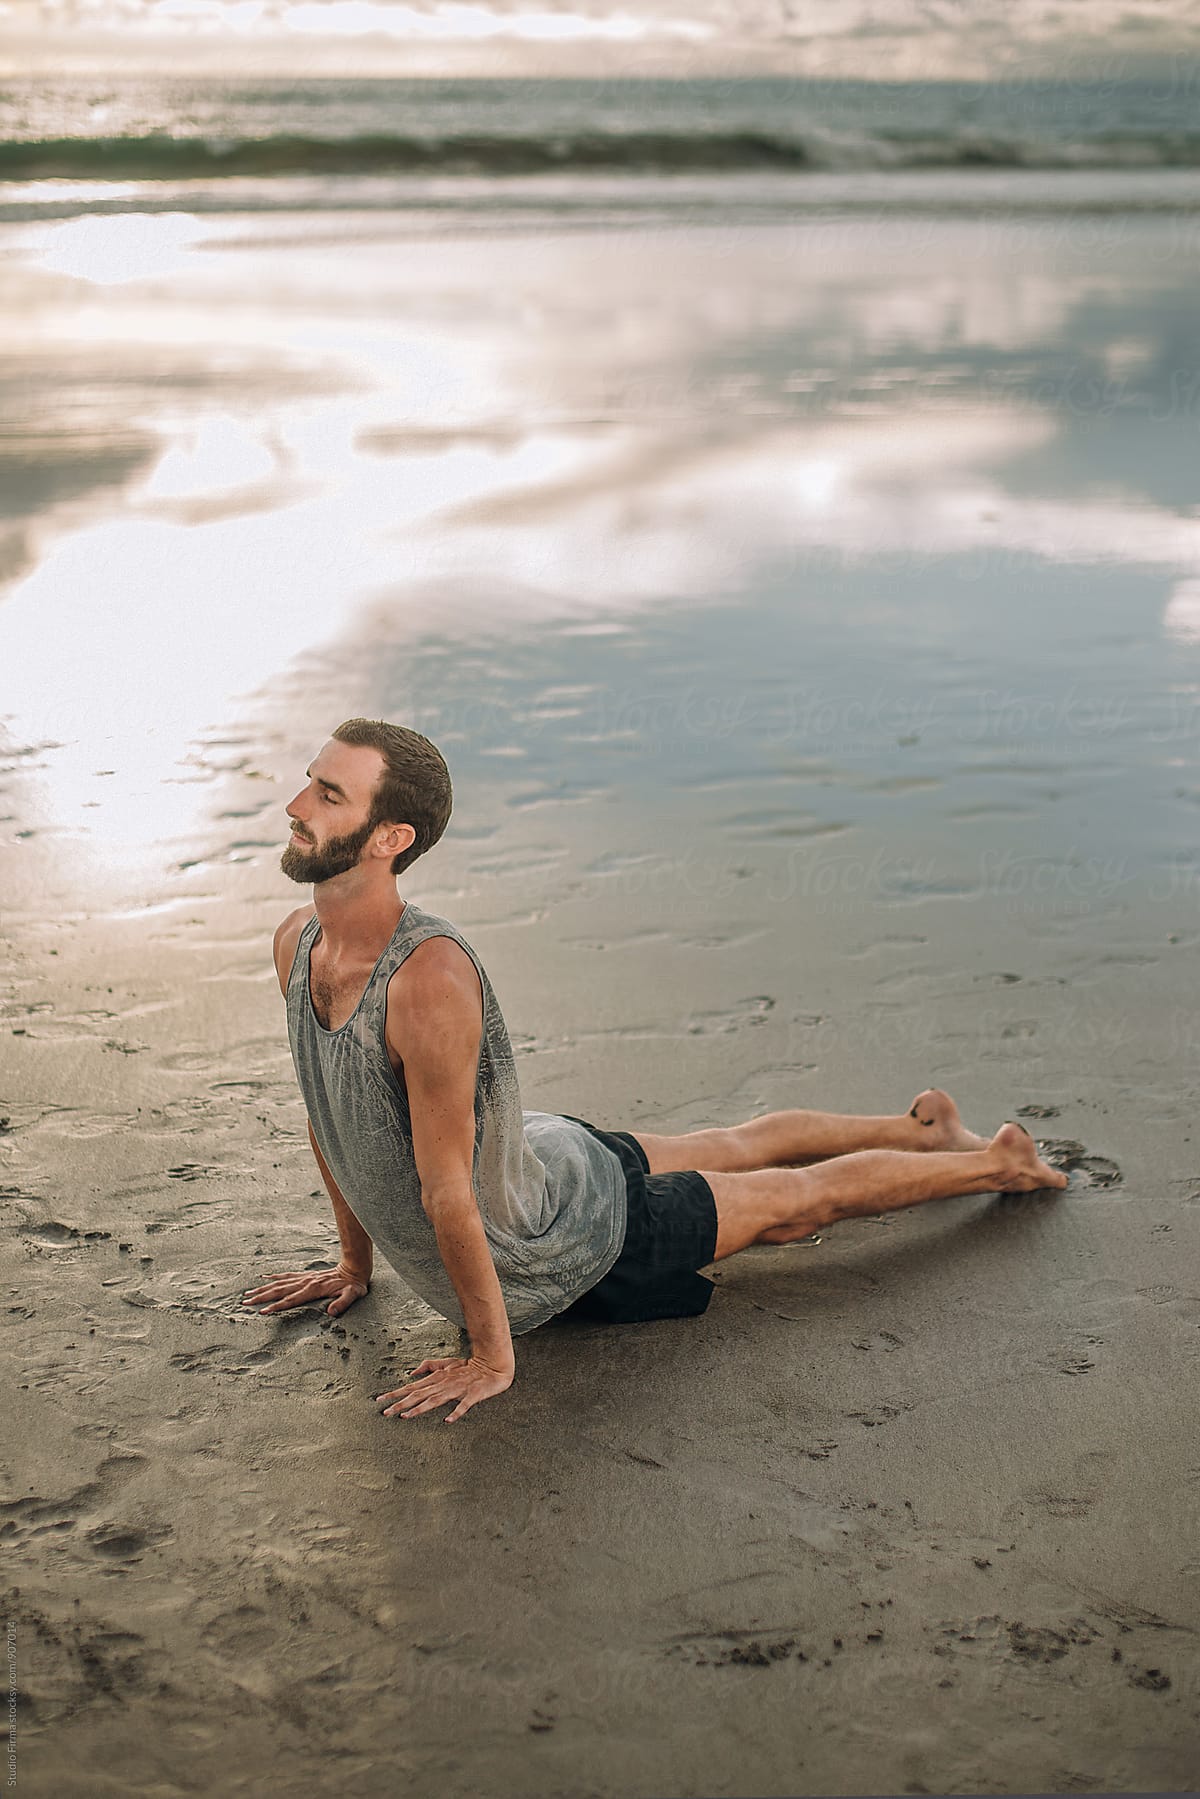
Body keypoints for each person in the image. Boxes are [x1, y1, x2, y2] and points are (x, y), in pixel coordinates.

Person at [241, 717, 1069, 1424]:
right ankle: (920, 1130)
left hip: (563, 1242)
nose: (295, 805)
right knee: (729, 1141)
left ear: (391, 840)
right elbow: (333, 1115)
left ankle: (998, 1161)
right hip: (536, 1162)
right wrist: (354, 1265)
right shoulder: (298, 941)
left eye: (328, 795)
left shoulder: (428, 979)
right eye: (311, 783)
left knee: (790, 1202)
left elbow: (446, 1191)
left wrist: (493, 1357)